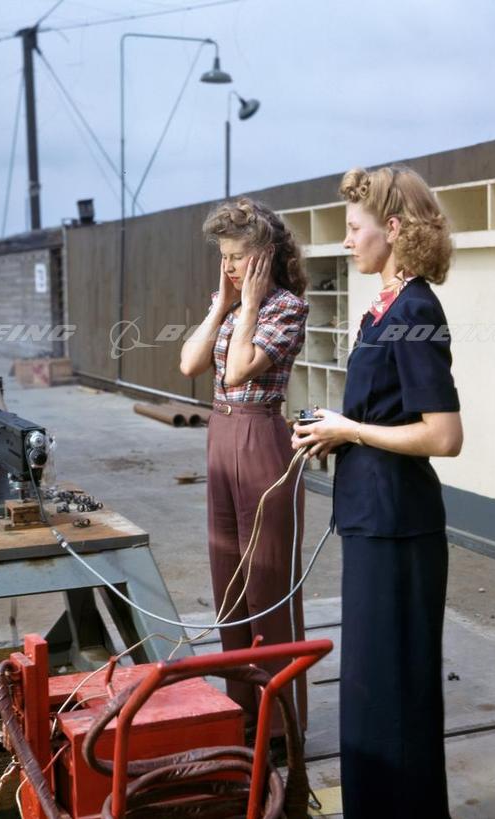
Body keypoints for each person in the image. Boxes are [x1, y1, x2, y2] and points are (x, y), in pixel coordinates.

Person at [291, 166, 463, 817]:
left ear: (391, 229)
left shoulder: (415, 309)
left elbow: (444, 434)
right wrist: (334, 433)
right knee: (369, 692)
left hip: (399, 527)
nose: (345, 241)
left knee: (395, 697)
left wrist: (351, 429)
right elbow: (386, 414)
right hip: (372, 519)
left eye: (353, 228)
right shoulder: (382, 307)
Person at [179, 197, 310, 754]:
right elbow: (190, 363)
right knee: (229, 581)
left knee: (267, 582)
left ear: (266, 255)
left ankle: (280, 727)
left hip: (260, 437)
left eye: (239, 256)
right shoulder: (230, 304)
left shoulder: (286, 308)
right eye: (225, 256)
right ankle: (242, 712)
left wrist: (251, 303)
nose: (230, 266)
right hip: (221, 434)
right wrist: (224, 307)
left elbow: (235, 370)